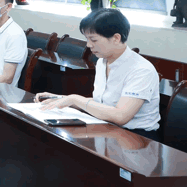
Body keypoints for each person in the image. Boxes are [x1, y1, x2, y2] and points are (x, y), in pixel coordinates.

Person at [37, 8, 160, 140]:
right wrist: (61, 99)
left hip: (136, 138)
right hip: (106, 129)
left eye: (94, 40)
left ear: (116, 38)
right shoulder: (102, 61)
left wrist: (74, 99)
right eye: (87, 39)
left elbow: (121, 116)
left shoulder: (141, 70)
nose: (88, 45)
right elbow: (101, 103)